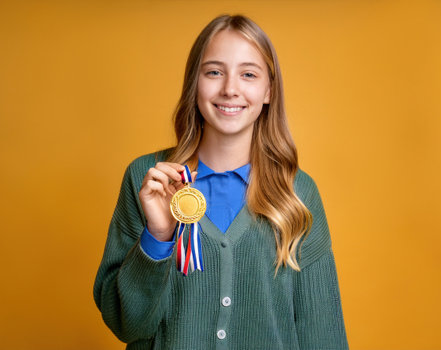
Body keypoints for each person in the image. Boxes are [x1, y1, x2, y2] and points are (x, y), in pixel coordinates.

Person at [93, 14, 349, 350]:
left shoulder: (298, 192)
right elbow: (126, 324)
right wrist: (157, 238)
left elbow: (323, 333)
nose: (230, 89)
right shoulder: (149, 180)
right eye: (214, 72)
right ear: (194, 84)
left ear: (268, 90)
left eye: (248, 74)